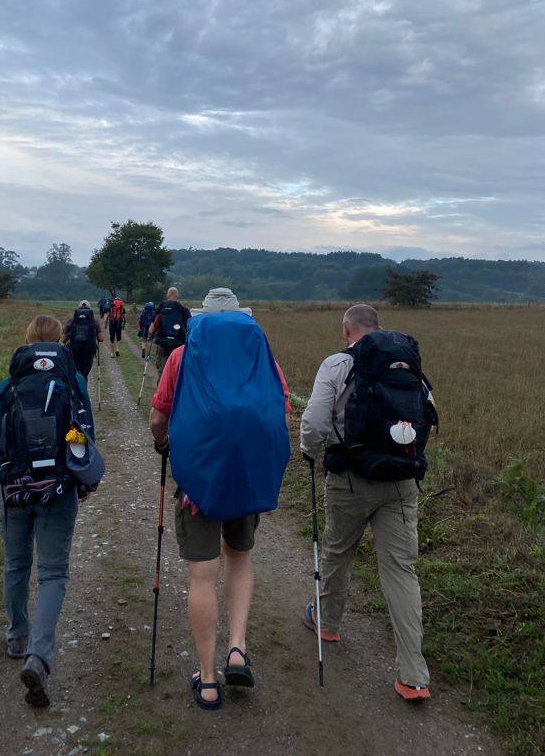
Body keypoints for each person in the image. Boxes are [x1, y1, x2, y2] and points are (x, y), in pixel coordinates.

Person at [149, 287, 292, 710]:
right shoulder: (261, 356)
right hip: (246, 478)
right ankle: (237, 648)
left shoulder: (181, 357)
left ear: (202, 320)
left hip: (199, 481)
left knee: (202, 574)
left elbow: (159, 417)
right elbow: (278, 411)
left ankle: (208, 681)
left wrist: (163, 444)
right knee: (240, 557)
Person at [300, 304, 434, 702]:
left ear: (347, 330)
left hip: (351, 480)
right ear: (377, 327)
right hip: (401, 481)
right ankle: (414, 676)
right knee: (400, 570)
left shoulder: (338, 364)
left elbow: (316, 421)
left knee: (339, 550)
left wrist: (309, 452)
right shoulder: (407, 366)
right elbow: (428, 416)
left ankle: (328, 624)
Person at [0, 314, 95, 708]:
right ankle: (39, 655)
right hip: (58, 490)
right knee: (53, 573)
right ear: (60, 341)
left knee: (16, 565)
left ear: (26, 341)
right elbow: (84, 436)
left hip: (13, 489)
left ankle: (17, 638)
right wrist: (82, 483)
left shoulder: (8, 385)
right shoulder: (73, 381)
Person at [149, 286, 191, 374]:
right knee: (176, 370)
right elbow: (190, 328)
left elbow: (152, 328)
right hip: (178, 344)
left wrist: (151, 335)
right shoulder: (183, 310)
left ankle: (161, 386)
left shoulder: (160, 307)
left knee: (162, 370)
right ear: (177, 296)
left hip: (163, 343)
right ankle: (174, 387)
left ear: (167, 295)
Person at [63, 300, 103, 378]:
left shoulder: (71, 321)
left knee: (75, 373)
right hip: (88, 351)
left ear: (78, 309)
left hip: (74, 351)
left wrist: (70, 333)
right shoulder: (94, 321)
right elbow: (101, 339)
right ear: (90, 310)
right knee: (84, 374)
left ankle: (75, 387)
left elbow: (63, 340)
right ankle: (84, 386)